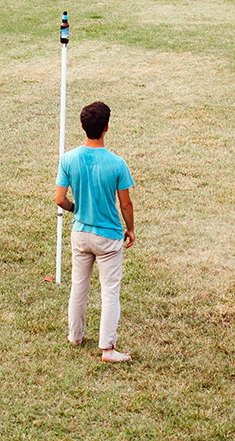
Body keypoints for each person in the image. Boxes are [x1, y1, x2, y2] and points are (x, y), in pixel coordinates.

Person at [55, 101, 135, 363]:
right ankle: (108, 349)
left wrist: (74, 208)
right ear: (107, 128)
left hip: (81, 232)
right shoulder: (117, 164)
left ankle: (75, 336)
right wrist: (131, 229)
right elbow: (125, 203)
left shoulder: (68, 159)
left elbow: (59, 200)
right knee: (109, 291)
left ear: (82, 127)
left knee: (79, 287)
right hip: (109, 236)